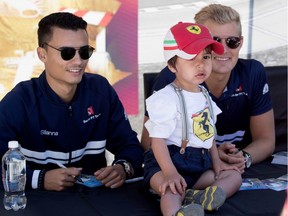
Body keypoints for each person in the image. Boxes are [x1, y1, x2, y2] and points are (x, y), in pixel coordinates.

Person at [0, 12, 144, 191]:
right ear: (42, 54)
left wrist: (123, 168)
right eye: (67, 53)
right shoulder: (20, 100)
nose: (78, 61)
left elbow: (129, 144)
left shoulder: (100, 90)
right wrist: (39, 179)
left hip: (96, 199)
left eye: (85, 52)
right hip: (38, 202)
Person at [141, 4, 275, 173]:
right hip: (188, 169)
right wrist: (205, 157)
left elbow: (266, 139)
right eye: (215, 41)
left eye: (232, 42)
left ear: (241, 43)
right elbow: (148, 144)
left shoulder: (253, 72)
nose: (224, 50)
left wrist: (242, 159)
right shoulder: (172, 78)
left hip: (228, 169)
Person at [143, 22, 242, 216]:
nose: (201, 64)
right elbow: (157, 141)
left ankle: (202, 197)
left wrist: (216, 163)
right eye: (191, 58)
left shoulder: (204, 94)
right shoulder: (166, 98)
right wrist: (170, 173)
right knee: (171, 189)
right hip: (167, 163)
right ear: (172, 65)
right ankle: (176, 212)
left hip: (199, 163)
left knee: (233, 175)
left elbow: (209, 134)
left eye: (206, 57)